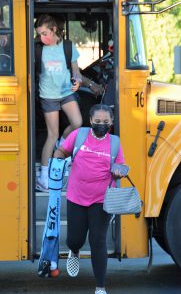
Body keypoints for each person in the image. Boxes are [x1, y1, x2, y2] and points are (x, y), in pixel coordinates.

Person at [54, 104, 125, 294]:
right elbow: (61, 151)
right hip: (76, 197)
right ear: (91, 121)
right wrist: (58, 161)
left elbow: (120, 166)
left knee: (98, 241)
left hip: (101, 200)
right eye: (98, 121)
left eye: (106, 122)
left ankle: (100, 287)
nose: (101, 124)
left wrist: (119, 173)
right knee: (75, 239)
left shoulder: (115, 143)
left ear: (111, 122)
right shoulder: (79, 135)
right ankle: (74, 251)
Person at [34, 14, 83, 191]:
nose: (42, 38)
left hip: (66, 93)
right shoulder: (37, 48)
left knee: (77, 123)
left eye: (45, 33)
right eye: (39, 34)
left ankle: (63, 142)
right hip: (47, 96)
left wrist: (77, 80)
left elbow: (76, 71)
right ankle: (43, 177)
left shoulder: (68, 46)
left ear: (54, 30)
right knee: (51, 135)